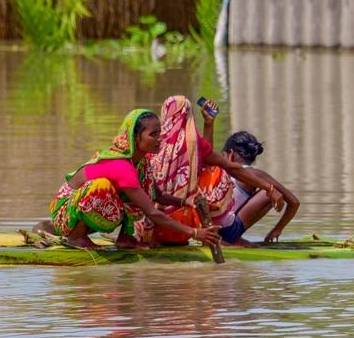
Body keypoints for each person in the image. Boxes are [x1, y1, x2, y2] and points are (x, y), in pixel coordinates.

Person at [36, 108, 221, 252]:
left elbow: (156, 195)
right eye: (152, 134)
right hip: (66, 213)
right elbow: (152, 212)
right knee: (101, 187)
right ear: (135, 137)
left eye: (160, 134)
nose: (159, 140)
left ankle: (126, 237)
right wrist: (195, 233)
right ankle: (76, 236)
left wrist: (184, 202)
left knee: (140, 193)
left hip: (85, 209)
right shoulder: (121, 166)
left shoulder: (141, 163)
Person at [147, 95, 275, 246]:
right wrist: (268, 187)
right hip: (183, 225)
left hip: (151, 227)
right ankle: (213, 238)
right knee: (216, 171)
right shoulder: (192, 142)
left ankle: (132, 236)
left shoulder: (151, 143)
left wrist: (209, 124)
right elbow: (226, 166)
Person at [211, 130, 300, 246]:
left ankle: (229, 239)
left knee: (270, 191)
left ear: (231, 154)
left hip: (211, 227)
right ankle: (232, 240)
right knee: (269, 192)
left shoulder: (220, 171)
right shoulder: (257, 174)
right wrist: (277, 230)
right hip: (228, 231)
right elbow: (294, 202)